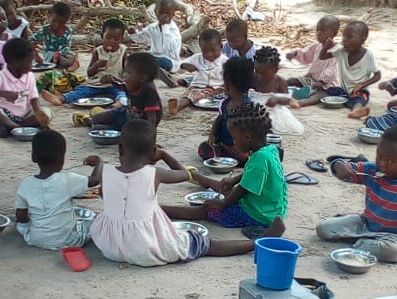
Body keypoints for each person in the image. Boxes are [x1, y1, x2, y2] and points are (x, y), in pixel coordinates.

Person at [90, 120, 252, 266]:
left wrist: (99, 162)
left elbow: (108, 198)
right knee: (203, 243)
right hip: (144, 248)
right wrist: (165, 155)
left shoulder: (106, 172)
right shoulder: (155, 173)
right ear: (153, 151)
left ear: (120, 148)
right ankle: (255, 243)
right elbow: (184, 174)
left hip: (110, 245)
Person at [166, 101, 286, 238]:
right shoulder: (268, 150)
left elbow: (243, 189)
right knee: (226, 190)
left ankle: (163, 210)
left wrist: (222, 204)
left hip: (259, 215)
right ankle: (199, 179)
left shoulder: (260, 158)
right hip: (272, 209)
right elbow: (255, 175)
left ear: (247, 138)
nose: (233, 142)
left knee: (208, 210)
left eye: (234, 138)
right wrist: (233, 180)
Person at [317, 124, 397, 267]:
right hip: (366, 223)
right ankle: (363, 241)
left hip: (394, 236)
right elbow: (347, 172)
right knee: (323, 229)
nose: (381, 164)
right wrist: (338, 165)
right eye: (379, 156)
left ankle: (360, 241)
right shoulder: (372, 170)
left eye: (390, 161)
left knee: (395, 253)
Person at [14, 130, 102, 250]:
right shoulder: (67, 179)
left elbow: (21, 216)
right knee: (93, 222)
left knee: (22, 225)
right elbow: (95, 180)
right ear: (62, 158)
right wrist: (99, 163)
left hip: (36, 239)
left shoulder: (26, 184)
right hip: (68, 240)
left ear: (33, 157)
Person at [0, 37, 50, 137]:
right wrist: (5, 93)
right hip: (6, 114)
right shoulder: (1, 76)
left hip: (25, 115)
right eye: (29, 62)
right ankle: (15, 128)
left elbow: (33, 96)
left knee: (46, 112)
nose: (31, 66)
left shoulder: (30, 76)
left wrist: (38, 111)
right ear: (15, 62)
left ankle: (13, 128)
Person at [319, 20, 380, 120]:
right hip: (344, 91)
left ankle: (356, 111)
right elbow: (322, 57)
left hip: (359, 91)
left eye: (350, 37)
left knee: (359, 100)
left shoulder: (368, 55)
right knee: (325, 91)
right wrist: (325, 47)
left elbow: (377, 76)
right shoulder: (341, 52)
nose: (344, 40)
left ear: (362, 39)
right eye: (344, 36)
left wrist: (362, 85)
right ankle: (302, 102)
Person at [87, 52, 162, 131]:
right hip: (126, 113)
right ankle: (94, 121)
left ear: (142, 77)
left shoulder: (149, 92)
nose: (124, 75)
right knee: (96, 118)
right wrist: (112, 80)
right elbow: (123, 86)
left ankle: (104, 126)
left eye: (128, 73)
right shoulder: (135, 83)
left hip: (137, 125)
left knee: (97, 129)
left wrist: (148, 138)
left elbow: (152, 120)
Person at [197, 55, 252, 162]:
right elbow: (219, 119)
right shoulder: (226, 103)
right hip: (223, 144)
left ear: (227, 85)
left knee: (243, 157)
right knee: (204, 148)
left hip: (240, 149)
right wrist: (212, 134)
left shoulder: (248, 107)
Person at [63, 18, 128, 107]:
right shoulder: (98, 51)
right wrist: (97, 64)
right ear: (102, 36)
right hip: (96, 84)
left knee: (122, 93)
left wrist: (116, 80)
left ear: (121, 39)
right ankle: (62, 98)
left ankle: (119, 102)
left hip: (115, 85)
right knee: (81, 90)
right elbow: (89, 73)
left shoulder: (123, 51)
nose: (112, 41)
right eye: (108, 37)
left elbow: (127, 73)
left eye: (116, 39)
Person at [287, 15, 342, 108]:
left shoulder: (338, 51)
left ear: (334, 34)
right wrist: (295, 54)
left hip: (328, 84)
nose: (318, 33)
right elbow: (305, 56)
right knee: (291, 81)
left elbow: (332, 70)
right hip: (312, 80)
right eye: (317, 30)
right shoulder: (317, 46)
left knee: (320, 95)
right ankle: (275, 89)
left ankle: (300, 103)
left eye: (322, 30)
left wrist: (322, 82)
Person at [167, 28, 225, 117]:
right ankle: (177, 107)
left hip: (218, 88)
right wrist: (185, 65)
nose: (209, 54)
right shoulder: (197, 58)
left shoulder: (225, 61)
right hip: (198, 87)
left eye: (213, 50)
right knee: (189, 95)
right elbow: (179, 65)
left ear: (221, 46)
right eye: (205, 51)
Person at [252, 45, 304, 136]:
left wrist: (277, 99)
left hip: (273, 111)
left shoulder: (280, 81)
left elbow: (287, 100)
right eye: (257, 72)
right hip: (256, 110)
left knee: (281, 125)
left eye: (263, 73)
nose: (259, 76)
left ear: (276, 70)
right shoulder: (253, 78)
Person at [128, 0, 181, 85]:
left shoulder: (173, 31)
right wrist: (133, 33)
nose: (163, 16)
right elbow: (141, 38)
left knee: (161, 62)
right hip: (152, 56)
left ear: (173, 15)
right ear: (156, 12)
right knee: (134, 57)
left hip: (169, 60)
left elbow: (170, 47)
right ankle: (152, 72)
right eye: (160, 12)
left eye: (167, 14)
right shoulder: (152, 27)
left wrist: (165, 27)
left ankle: (160, 74)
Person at [29, 1, 79, 70]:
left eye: (61, 23)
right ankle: (73, 61)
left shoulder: (68, 31)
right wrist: (36, 54)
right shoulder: (46, 29)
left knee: (70, 56)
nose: (57, 25)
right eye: (54, 21)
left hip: (62, 53)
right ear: (50, 16)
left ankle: (75, 61)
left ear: (66, 21)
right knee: (63, 61)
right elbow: (30, 40)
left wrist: (59, 53)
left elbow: (67, 46)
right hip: (50, 54)